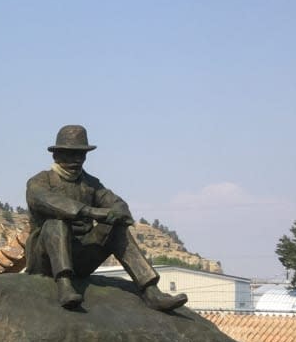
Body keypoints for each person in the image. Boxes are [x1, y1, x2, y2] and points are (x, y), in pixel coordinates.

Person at [25, 125, 188, 312]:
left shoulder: (91, 184)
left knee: (116, 229)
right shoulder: (40, 181)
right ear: (57, 155)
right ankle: (64, 285)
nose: (76, 160)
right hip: (47, 260)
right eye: (70, 154)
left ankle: (150, 290)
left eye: (81, 155)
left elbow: (119, 205)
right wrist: (90, 211)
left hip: (82, 257)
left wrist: (116, 213)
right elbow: (46, 200)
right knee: (56, 223)